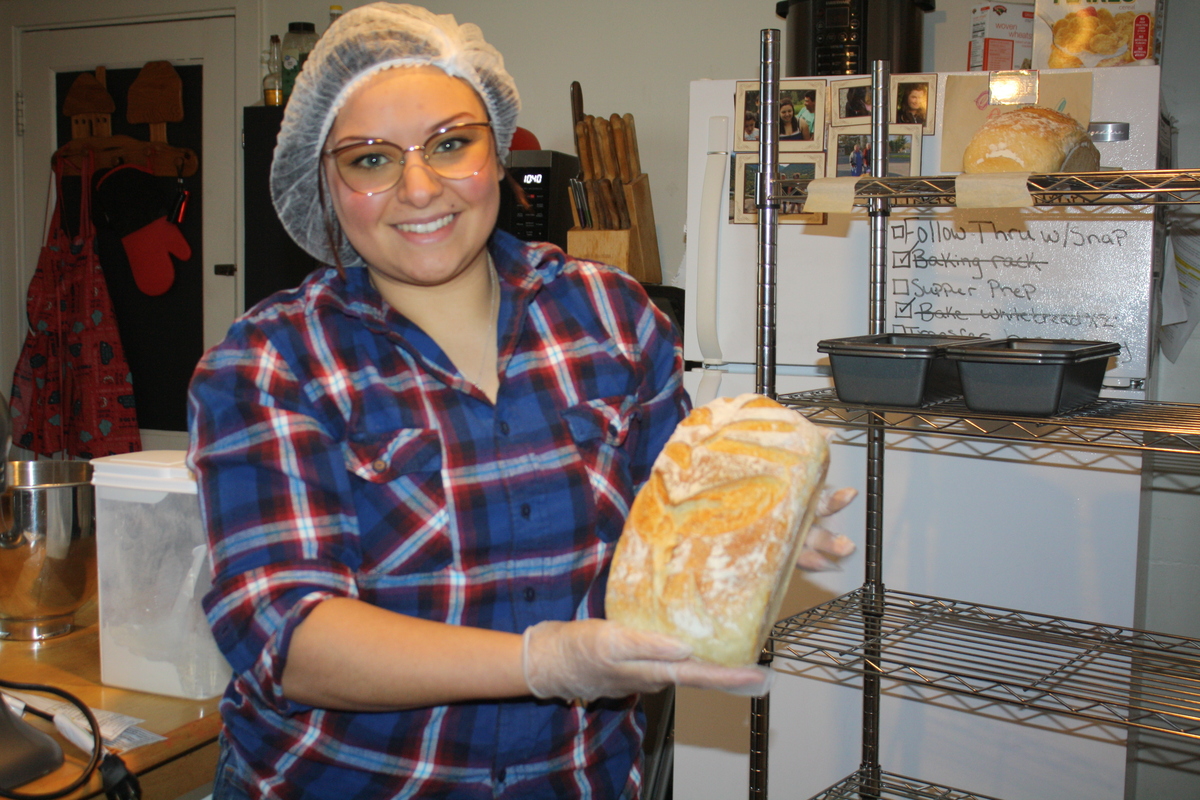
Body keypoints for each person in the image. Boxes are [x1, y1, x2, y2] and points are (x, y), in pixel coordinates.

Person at [187, 4, 855, 798]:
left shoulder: (611, 316)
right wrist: (543, 661)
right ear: (325, 181)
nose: (419, 187)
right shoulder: (270, 362)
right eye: (370, 159)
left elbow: (663, 536)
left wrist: (740, 531)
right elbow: (287, 638)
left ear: (498, 149)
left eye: (449, 143)